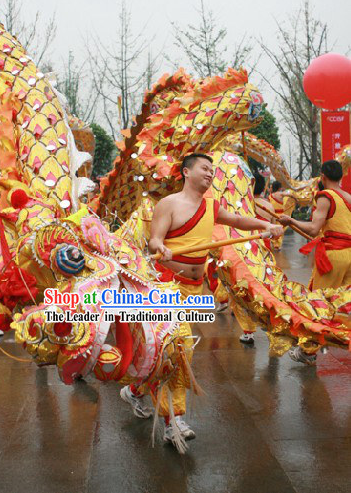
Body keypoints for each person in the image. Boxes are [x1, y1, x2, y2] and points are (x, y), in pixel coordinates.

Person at [120, 154, 283, 448]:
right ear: (186, 172)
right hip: (166, 288)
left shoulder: (211, 207)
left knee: (168, 354)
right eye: (204, 169)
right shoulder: (168, 204)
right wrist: (160, 247)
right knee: (179, 347)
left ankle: (135, 390)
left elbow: (237, 220)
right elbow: (155, 239)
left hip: (195, 289)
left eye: (212, 171)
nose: (210, 174)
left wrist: (264, 225)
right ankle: (174, 422)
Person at [280, 160, 351, 365]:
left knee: (317, 303)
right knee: (342, 302)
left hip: (333, 256)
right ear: (341, 177)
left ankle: (308, 352)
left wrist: (291, 220)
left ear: (322, 177)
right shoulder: (348, 197)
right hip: (349, 255)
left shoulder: (325, 196)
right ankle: (329, 339)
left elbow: (313, 229)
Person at [235, 173, 277, 345]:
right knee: (265, 288)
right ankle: (271, 324)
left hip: (248, 249)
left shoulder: (245, 205)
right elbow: (273, 225)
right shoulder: (268, 206)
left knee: (244, 290)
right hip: (265, 250)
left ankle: (248, 331)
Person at [269, 180, 296, 250]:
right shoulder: (280, 194)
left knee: (273, 229)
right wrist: (295, 198)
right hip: (280, 216)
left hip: (272, 215)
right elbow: (291, 195)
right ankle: (277, 245)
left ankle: (274, 243)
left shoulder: (270, 196)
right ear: (279, 187)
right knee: (280, 230)